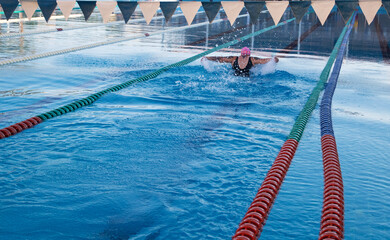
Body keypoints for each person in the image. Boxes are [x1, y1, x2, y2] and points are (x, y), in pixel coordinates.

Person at [201, 47, 279, 77]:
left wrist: (207, 58)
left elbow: (219, 59)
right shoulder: (252, 59)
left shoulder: (233, 59)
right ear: (249, 54)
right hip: (247, 80)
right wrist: (274, 59)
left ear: (241, 54)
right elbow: (263, 61)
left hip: (233, 78)